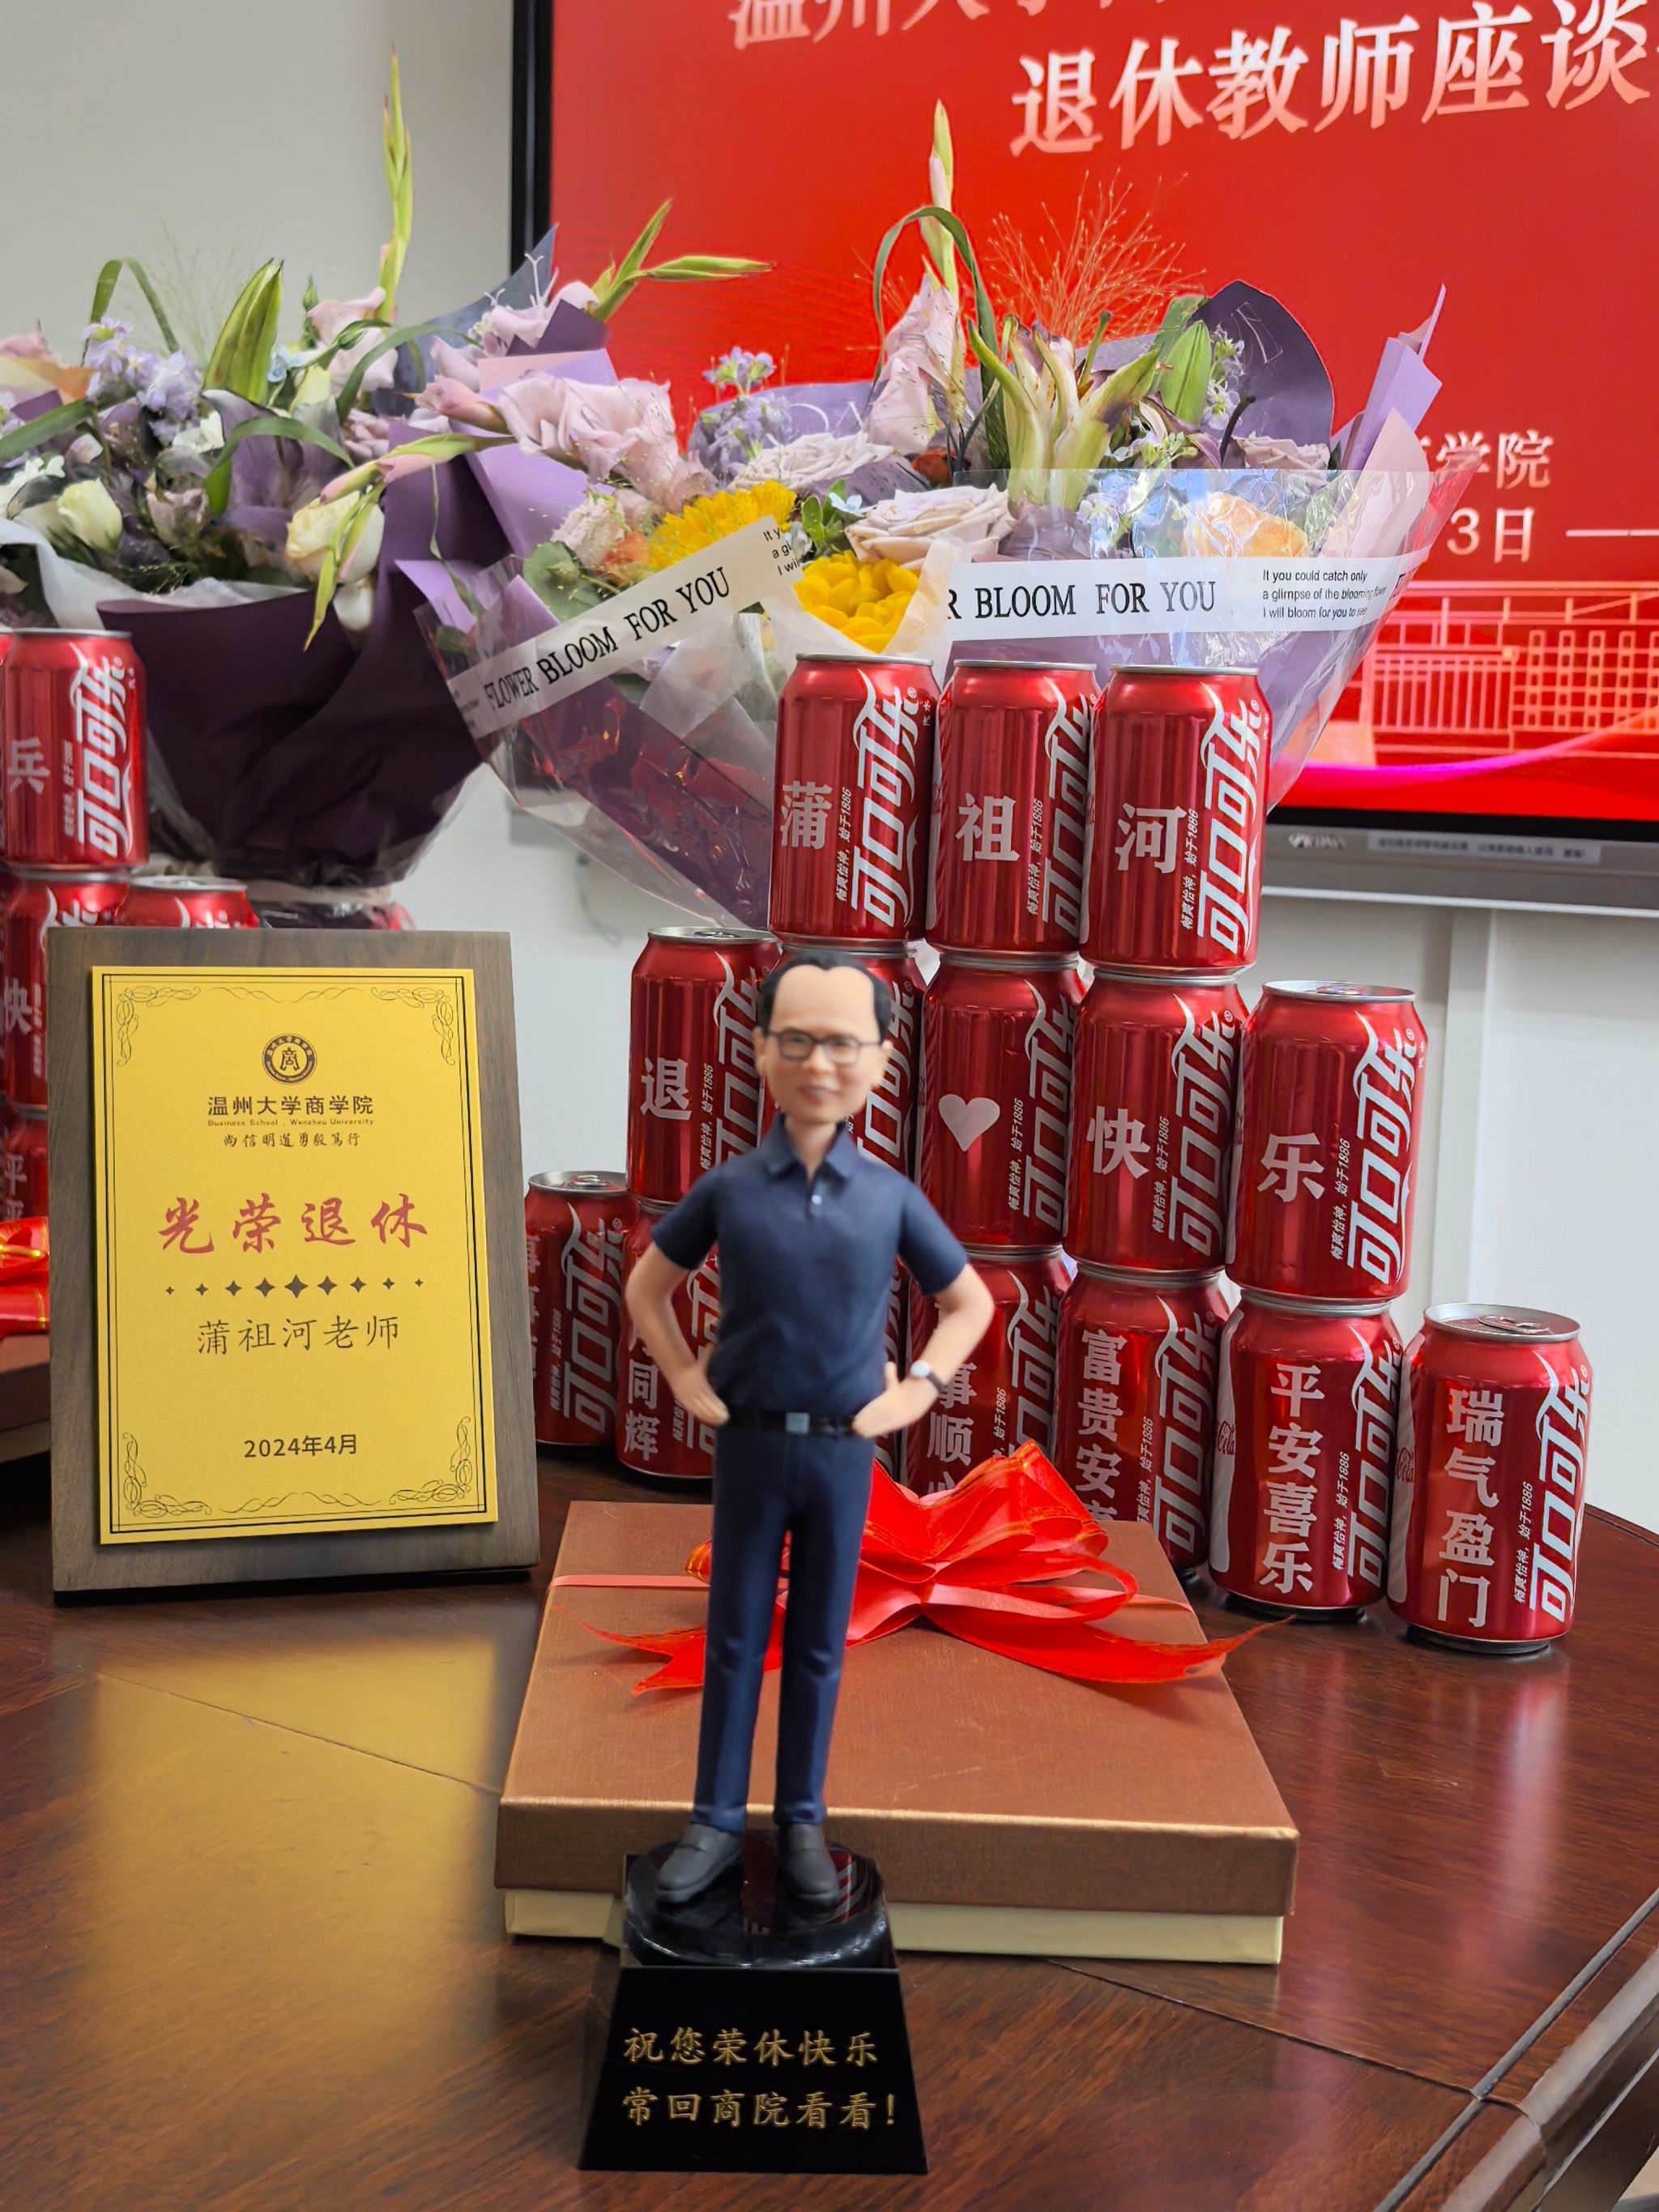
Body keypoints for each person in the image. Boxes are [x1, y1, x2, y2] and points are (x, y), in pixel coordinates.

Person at [624, 946, 993, 1907]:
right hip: (748, 1440)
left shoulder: (889, 1198)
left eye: (841, 1043)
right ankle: (712, 1820)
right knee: (734, 1635)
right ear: (758, 1051)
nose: (818, 1063)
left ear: (879, 1060)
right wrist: (680, 1373)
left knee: (821, 1643)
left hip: (840, 1449)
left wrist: (918, 1389)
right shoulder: (730, 1190)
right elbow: (648, 1286)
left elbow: (968, 1303)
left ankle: (800, 1821)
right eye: (795, 1041)